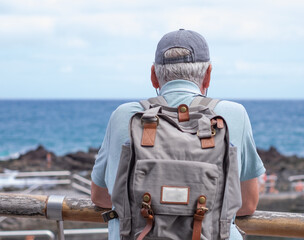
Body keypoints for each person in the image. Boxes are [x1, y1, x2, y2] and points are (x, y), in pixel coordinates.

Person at [91, 29, 266, 240]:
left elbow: (100, 196)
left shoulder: (124, 116)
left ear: (154, 76)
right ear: (208, 75)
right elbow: (247, 204)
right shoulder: (233, 115)